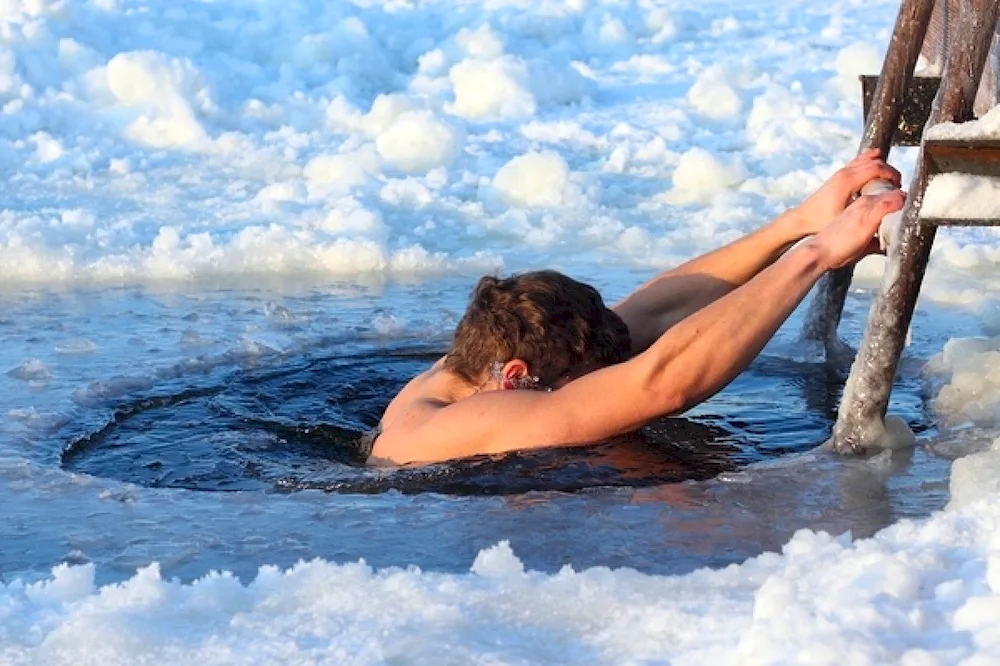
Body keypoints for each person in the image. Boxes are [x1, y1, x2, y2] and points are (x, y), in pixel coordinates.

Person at [371, 150, 904, 465]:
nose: (606, 374)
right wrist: (815, 258)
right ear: (516, 377)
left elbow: (647, 315)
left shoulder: (484, 361)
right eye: (587, 377)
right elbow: (661, 383)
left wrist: (798, 224)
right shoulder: (463, 423)